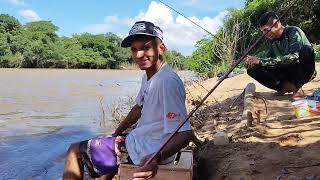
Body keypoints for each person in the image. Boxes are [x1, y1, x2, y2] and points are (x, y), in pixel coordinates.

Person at [62, 21, 192, 180]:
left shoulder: (166, 82)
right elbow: (138, 108)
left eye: (146, 47)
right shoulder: (151, 75)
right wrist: (115, 133)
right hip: (140, 142)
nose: (139, 55)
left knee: (74, 151)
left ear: (161, 48)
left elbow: (185, 133)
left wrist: (155, 159)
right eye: (134, 49)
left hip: (146, 153)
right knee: (114, 142)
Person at [244, 11, 317, 98]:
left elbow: (294, 57)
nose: (264, 34)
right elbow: (270, 61)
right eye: (262, 31)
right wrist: (255, 62)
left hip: (303, 71)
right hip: (287, 72)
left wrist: (261, 61)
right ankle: (285, 87)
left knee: (306, 50)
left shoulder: (293, 32)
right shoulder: (272, 42)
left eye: (266, 30)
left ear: (276, 24)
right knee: (252, 69)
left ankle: (297, 87)